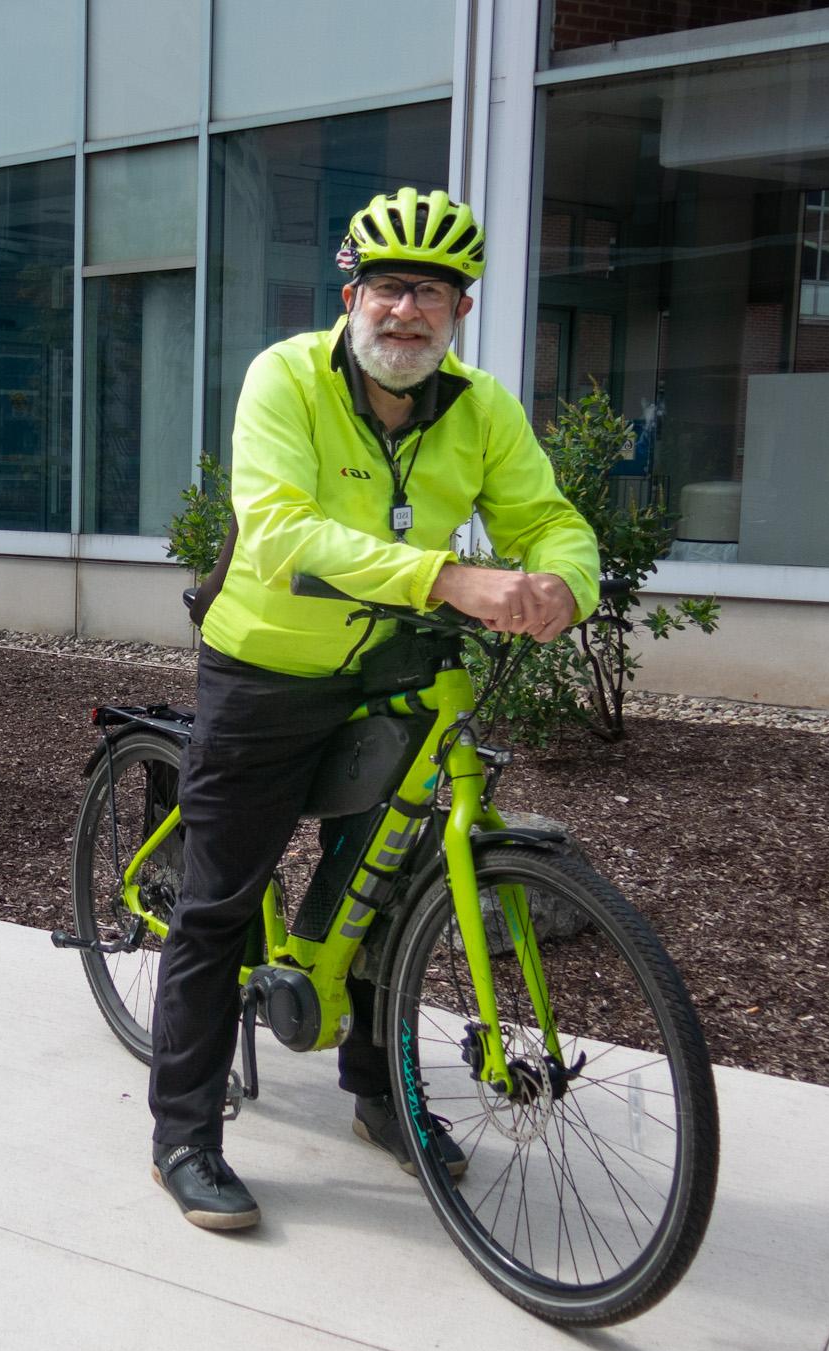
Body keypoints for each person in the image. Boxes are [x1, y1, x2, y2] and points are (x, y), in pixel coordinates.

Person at [150, 188, 601, 1230]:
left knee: (389, 885)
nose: (405, 312)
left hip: (392, 666)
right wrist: (450, 578)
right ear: (350, 294)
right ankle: (181, 1131)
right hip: (265, 664)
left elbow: (546, 515)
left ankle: (380, 1092)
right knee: (220, 903)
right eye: (388, 288)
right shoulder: (286, 378)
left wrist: (562, 586)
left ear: (459, 312)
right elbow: (277, 530)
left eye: (430, 294)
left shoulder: (477, 406)